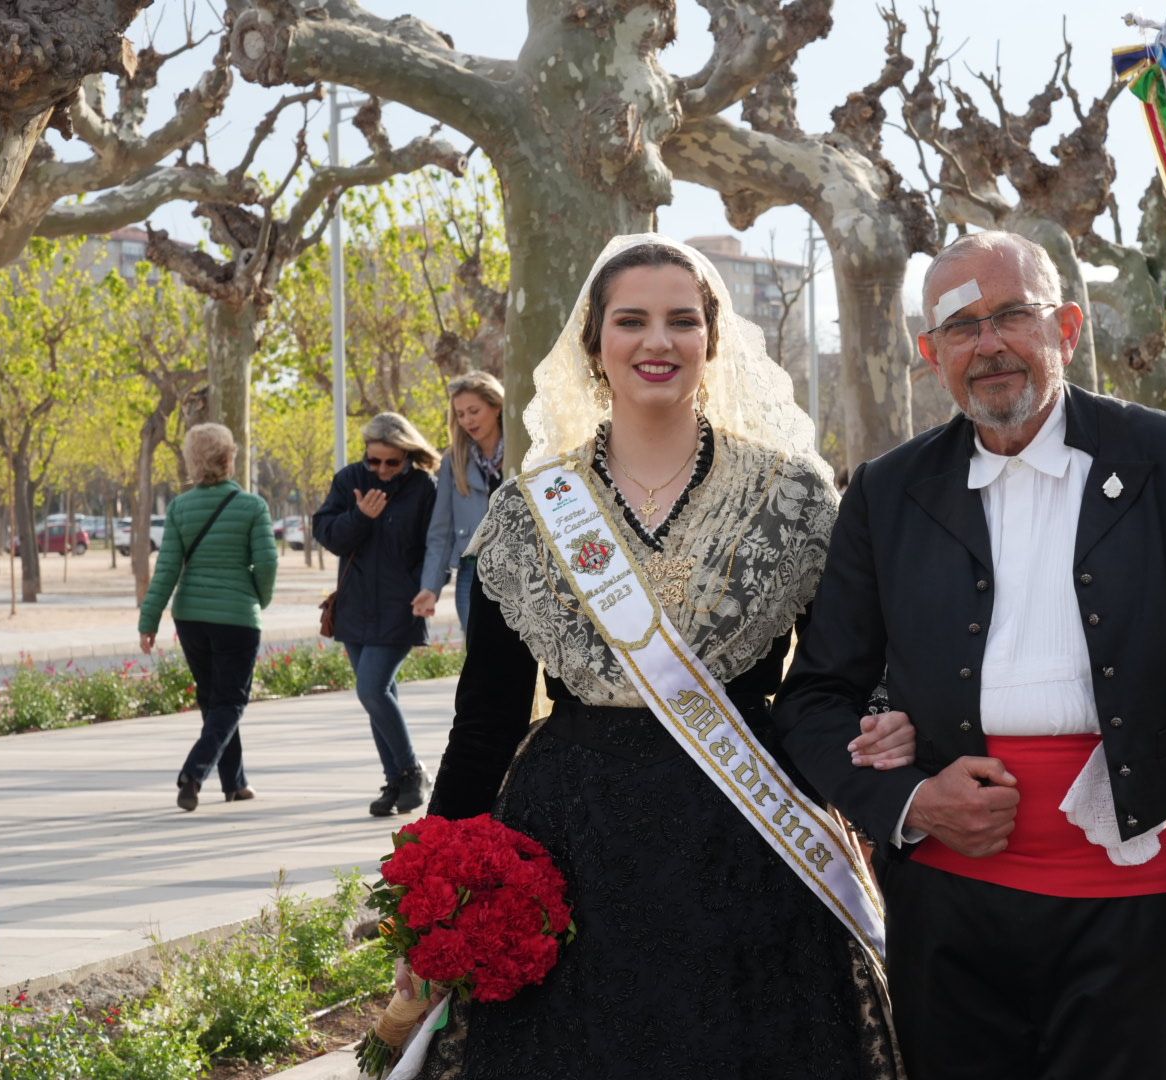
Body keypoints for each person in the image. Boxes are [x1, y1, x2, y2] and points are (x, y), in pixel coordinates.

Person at [774, 231, 1166, 1080]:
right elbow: (815, 698)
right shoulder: (886, 492)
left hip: (1133, 907)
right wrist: (906, 799)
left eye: (1013, 315)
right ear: (929, 353)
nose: (990, 345)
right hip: (947, 910)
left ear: (1069, 327)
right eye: (962, 327)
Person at [413, 236, 911, 1080]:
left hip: (750, 841)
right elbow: (488, 718)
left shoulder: (792, 495)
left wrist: (886, 724)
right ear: (594, 345)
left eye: (683, 321)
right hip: (570, 846)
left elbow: (845, 675)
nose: (658, 342)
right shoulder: (532, 512)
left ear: (711, 342)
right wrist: (439, 873)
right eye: (631, 321)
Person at [137, 423, 277, 811]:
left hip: (191, 617)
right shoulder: (252, 506)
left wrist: (148, 621)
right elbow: (267, 561)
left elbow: (166, 569)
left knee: (213, 699)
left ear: (193, 462)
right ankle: (193, 773)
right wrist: (258, 598)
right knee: (230, 701)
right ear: (230, 457)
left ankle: (234, 783)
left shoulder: (181, 508)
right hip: (236, 617)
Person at [313, 413, 439, 817]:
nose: (382, 470)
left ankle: (412, 769)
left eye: (392, 462)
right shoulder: (349, 480)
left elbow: (432, 546)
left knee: (371, 689)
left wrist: (428, 589)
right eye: (374, 461)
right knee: (380, 697)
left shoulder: (424, 488)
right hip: (354, 607)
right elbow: (327, 534)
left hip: (401, 606)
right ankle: (396, 781)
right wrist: (359, 517)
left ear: (407, 455)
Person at [412, 371, 505, 633]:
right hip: (472, 575)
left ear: (496, 406)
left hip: (524, 572)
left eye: (474, 410)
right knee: (480, 661)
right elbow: (441, 532)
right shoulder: (453, 462)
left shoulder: (525, 448)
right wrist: (430, 587)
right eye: (460, 414)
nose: (466, 420)